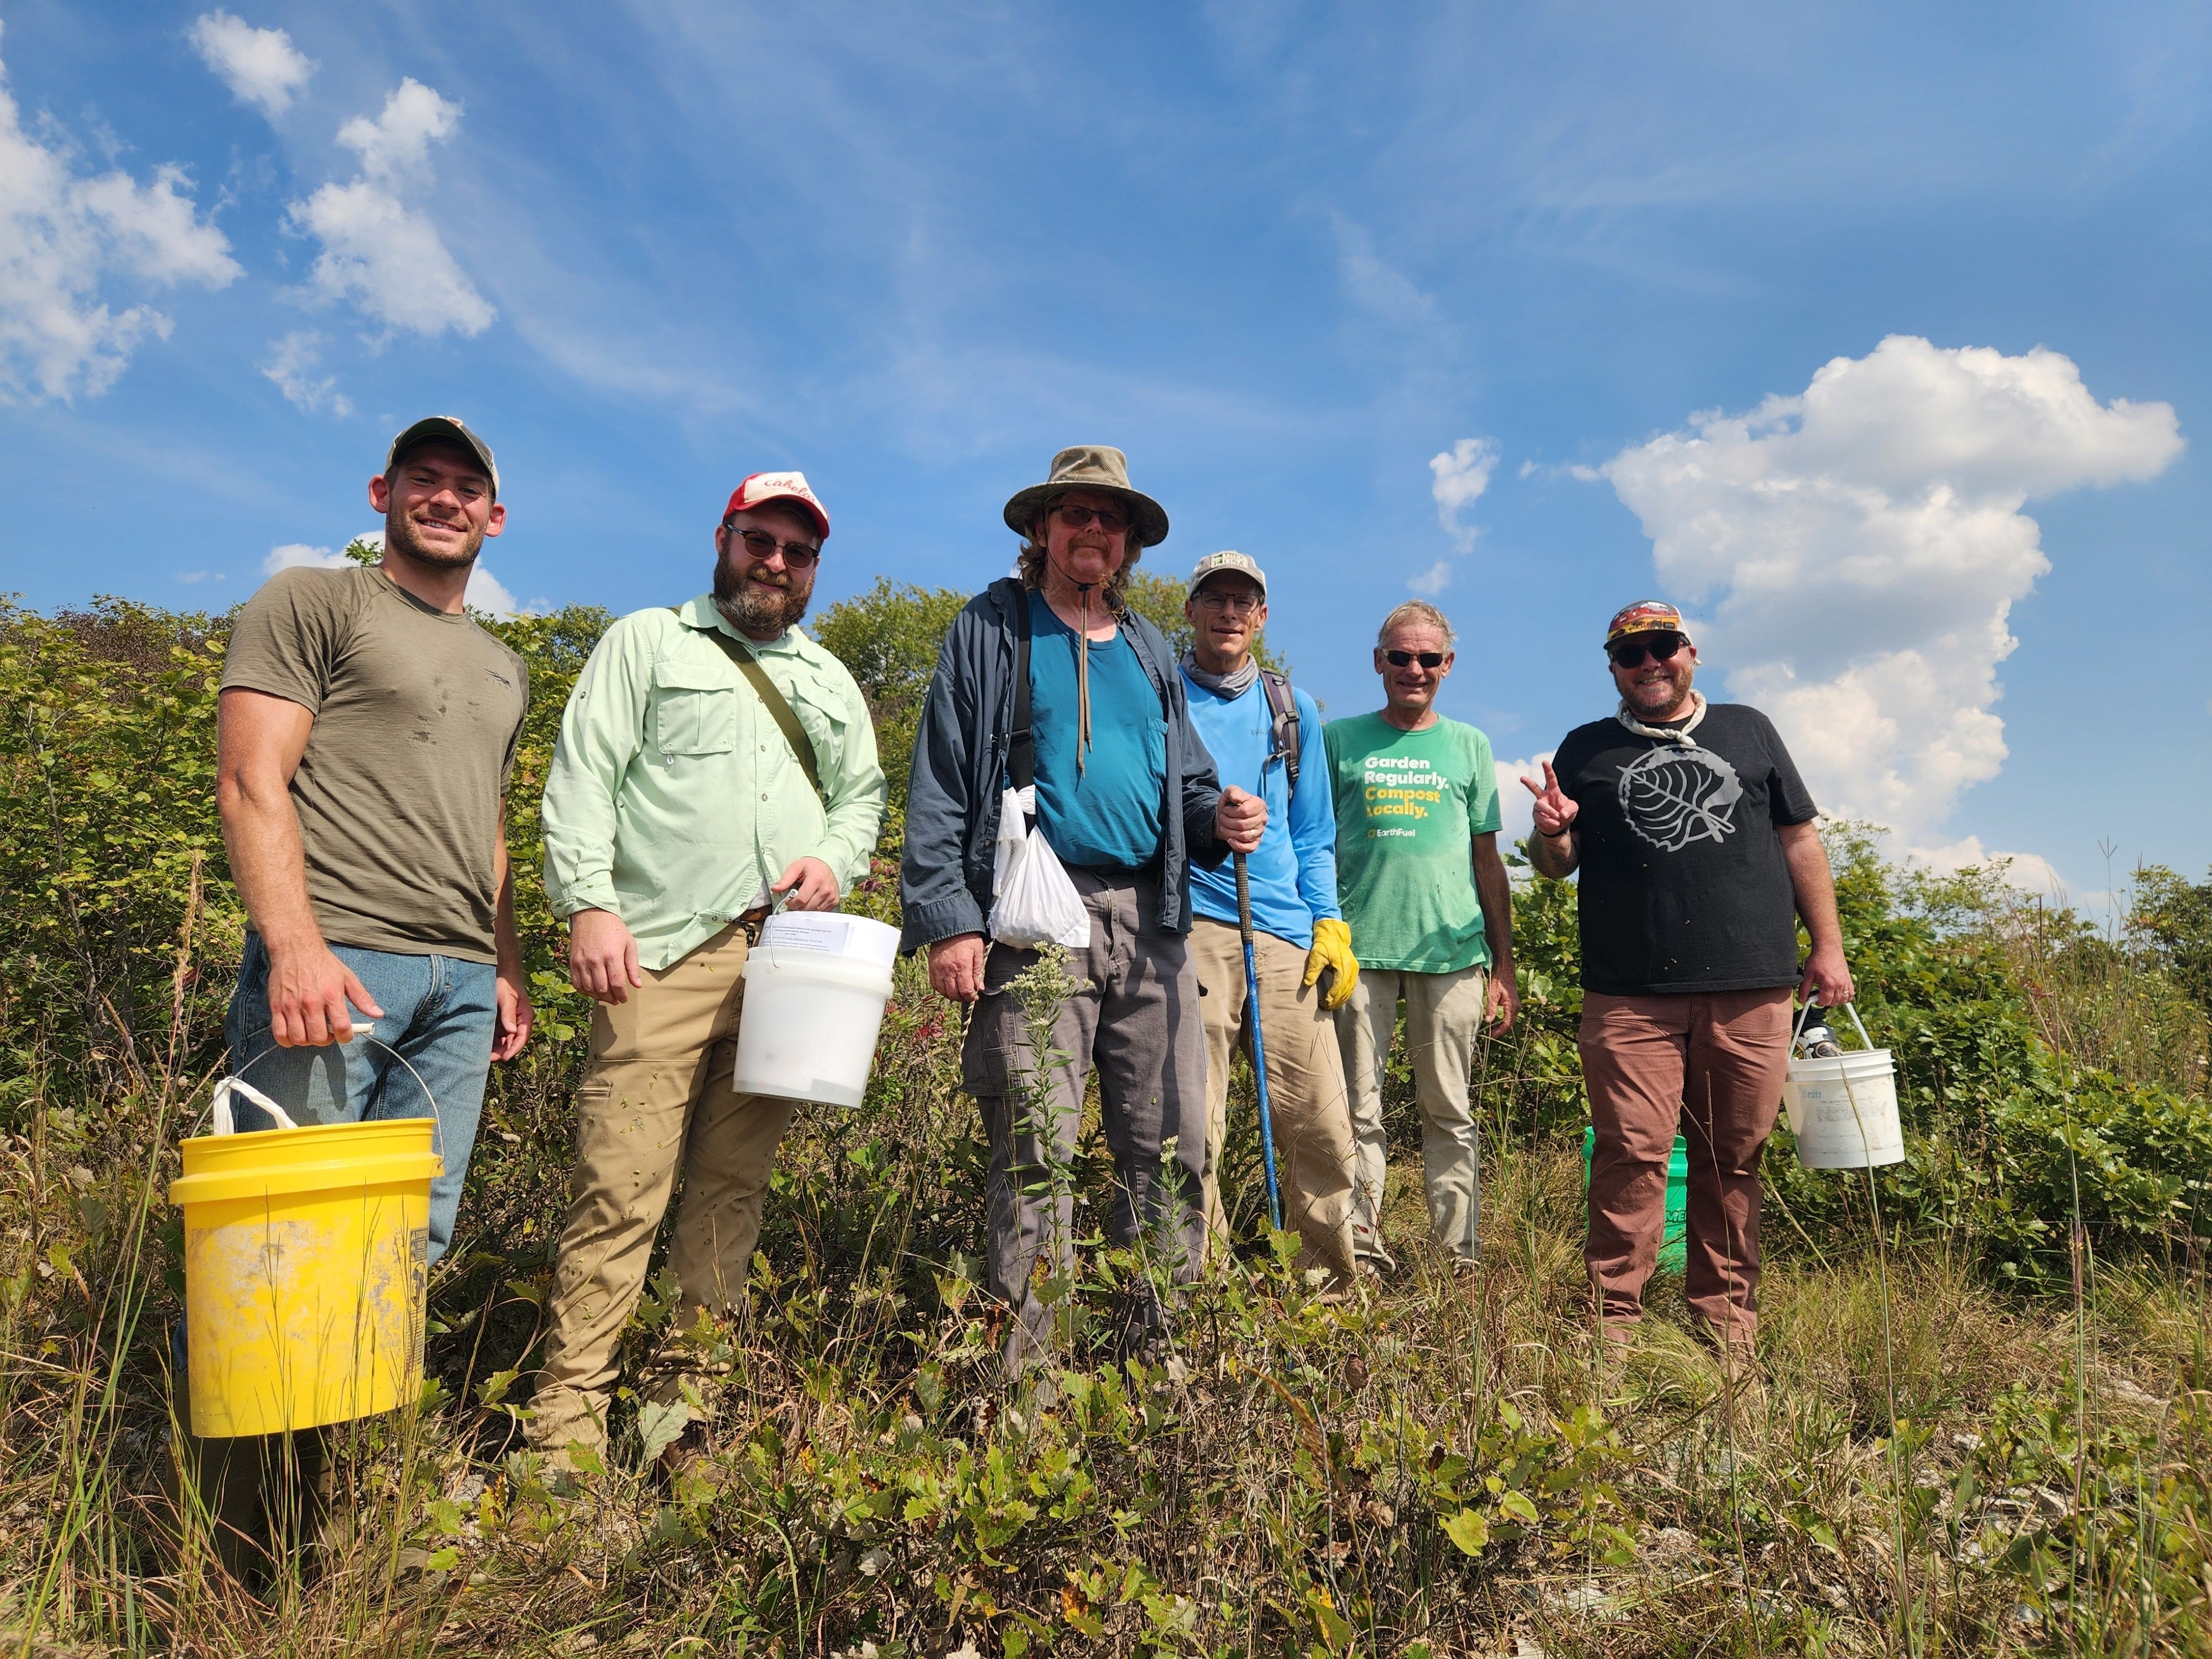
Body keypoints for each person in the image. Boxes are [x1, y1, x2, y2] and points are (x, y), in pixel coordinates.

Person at [196, 414, 533, 1569]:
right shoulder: (314, 603)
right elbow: (252, 776)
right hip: (341, 963)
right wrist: (291, 944)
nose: (444, 499)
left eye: (467, 488)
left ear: (495, 517)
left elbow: (483, 826)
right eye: (424, 480)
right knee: (285, 1252)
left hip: (457, 983)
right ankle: (247, 1548)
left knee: (403, 1250)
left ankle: (330, 1521)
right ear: (384, 490)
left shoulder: (503, 664)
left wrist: (506, 966)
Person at [530, 472, 885, 1467]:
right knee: (618, 1191)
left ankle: (681, 1426)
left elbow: (861, 798)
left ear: (815, 570)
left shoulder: (827, 680)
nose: (774, 563)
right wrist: (588, 904)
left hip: (786, 966)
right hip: (655, 954)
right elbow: (585, 773)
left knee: (733, 1196)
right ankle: (563, 1446)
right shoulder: (648, 642)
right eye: (758, 541)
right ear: (723, 538)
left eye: (797, 552)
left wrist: (836, 858)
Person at [901, 445, 1266, 1371]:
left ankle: (1161, 1374)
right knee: (1035, 1154)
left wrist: (1219, 819)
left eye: (1111, 517)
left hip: (1153, 924)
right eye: (1076, 513)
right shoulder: (993, 628)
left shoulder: (1146, 647)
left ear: (1130, 538)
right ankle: (1031, 1394)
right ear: (1041, 529)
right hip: (1034, 918)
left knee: (1174, 1147)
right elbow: (943, 777)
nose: (1093, 529)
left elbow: (1184, 784)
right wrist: (950, 918)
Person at [1524, 599, 1853, 1357]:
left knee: (1732, 1160)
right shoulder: (1586, 748)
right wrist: (1551, 832)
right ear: (1613, 667)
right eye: (1629, 654)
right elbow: (1555, 868)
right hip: (1628, 995)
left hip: (1754, 988)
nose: (1648, 664)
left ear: (1691, 651)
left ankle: (1727, 1328)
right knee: (1630, 1154)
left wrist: (1828, 948)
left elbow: (1800, 840)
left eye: (1661, 647)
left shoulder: (1749, 729)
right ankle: (1616, 1329)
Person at [1176, 551, 1359, 1287]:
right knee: (1196, 1126)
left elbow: (1314, 831)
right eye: (1213, 599)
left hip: (1285, 931)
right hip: (1191, 927)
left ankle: (1330, 1291)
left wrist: (1330, 924)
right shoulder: (1161, 697)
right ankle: (1207, 1296)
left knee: (1319, 1121)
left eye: (1242, 602)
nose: (1228, 613)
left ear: (1262, 617)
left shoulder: (1294, 709)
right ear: (1189, 610)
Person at [1325, 599, 1515, 1274]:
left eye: (1428, 659)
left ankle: (1456, 1261)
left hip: (1452, 955)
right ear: (1378, 661)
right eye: (1400, 657)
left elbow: (1487, 862)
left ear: (1447, 665)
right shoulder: (1337, 740)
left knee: (1451, 1115)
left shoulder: (1469, 745)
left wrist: (1504, 969)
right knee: (1356, 1117)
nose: (1414, 669)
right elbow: (1313, 842)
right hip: (1357, 955)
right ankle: (1362, 1260)